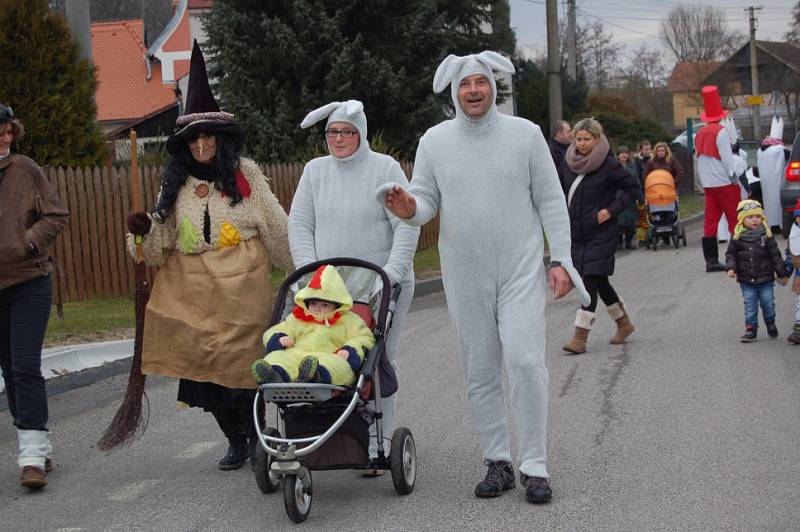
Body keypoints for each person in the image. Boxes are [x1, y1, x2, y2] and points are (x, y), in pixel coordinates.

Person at [379, 51, 589, 504]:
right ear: (454, 93)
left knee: (527, 362)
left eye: (480, 82)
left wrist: (560, 260)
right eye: (465, 85)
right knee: (479, 370)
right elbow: (427, 200)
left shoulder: (525, 135)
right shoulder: (434, 141)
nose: (473, 91)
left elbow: (551, 200)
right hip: (465, 272)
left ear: (493, 86)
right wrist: (409, 209)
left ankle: (534, 466)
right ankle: (498, 462)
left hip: (518, 267)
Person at [125, 42, 293, 471]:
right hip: (192, 291)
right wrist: (141, 232)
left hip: (241, 287)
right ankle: (236, 438)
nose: (201, 144)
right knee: (203, 372)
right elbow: (158, 244)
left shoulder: (245, 175)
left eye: (208, 136)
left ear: (220, 139)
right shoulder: (175, 185)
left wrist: (301, 271)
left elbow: (274, 223)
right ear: (186, 145)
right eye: (194, 138)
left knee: (242, 369)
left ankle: (257, 438)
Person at [288, 99, 419, 474]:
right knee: (331, 359)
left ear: (360, 133)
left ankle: (378, 438)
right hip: (328, 292)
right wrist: (308, 274)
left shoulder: (385, 168)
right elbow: (300, 225)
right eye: (333, 132)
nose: (339, 138)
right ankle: (334, 435)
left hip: (380, 286)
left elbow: (406, 224)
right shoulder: (315, 172)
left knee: (377, 361)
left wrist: (392, 272)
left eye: (347, 132)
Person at [0, 104, 69, 489]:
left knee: (25, 365)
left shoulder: (25, 170)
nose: (6, 139)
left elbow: (57, 214)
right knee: (10, 371)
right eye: (0, 132)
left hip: (30, 281)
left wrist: (29, 240)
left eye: (9, 132)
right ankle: (37, 444)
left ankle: (30, 459)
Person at [558, 118, 641, 354]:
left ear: (597, 139)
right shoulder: (568, 163)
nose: (582, 144)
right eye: (578, 139)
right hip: (577, 233)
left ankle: (580, 336)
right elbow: (559, 190)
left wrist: (611, 210)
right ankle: (623, 323)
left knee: (589, 282)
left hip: (601, 232)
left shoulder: (609, 164)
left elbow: (632, 188)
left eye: (587, 139)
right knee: (599, 280)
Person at [252, 264, 375, 386]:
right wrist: (280, 337)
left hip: (329, 356)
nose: (317, 308)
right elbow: (279, 328)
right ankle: (275, 375)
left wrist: (350, 349)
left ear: (337, 305)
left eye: (324, 305)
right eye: (313, 303)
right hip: (297, 355)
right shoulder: (298, 317)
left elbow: (364, 337)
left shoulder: (349, 320)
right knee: (277, 356)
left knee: (339, 365)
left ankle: (316, 376)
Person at [725, 199, 789, 342]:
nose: (755, 220)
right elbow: (731, 255)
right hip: (746, 279)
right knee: (750, 304)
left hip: (766, 278)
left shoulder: (766, 236)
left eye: (757, 217)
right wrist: (731, 267)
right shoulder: (737, 237)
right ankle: (751, 329)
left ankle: (770, 322)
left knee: (768, 303)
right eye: (750, 217)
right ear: (742, 220)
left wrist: (782, 273)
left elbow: (775, 255)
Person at [695, 86, 738, 273]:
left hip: (709, 184)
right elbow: (728, 160)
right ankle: (736, 258)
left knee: (710, 222)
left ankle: (711, 260)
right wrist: (734, 177)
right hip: (724, 183)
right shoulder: (721, 132)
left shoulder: (699, 134)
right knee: (735, 220)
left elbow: (699, 159)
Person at [756, 116, 790, 233]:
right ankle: (776, 226)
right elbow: (789, 158)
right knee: (777, 203)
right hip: (776, 182)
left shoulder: (760, 150)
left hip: (765, 182)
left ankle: (770, 225)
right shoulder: (779, 149)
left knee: (768, 203)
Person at [616, 145, 639, 250]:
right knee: (619, 222)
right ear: (618, 155)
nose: (624, 155)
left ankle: (629, 242)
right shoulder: (614, 166)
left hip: (630, 196)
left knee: (631, 221)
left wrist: (640, 197)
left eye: (626, 153)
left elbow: (636, 181)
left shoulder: (632, 166)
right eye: (622, 153)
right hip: (618, 196)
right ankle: (619, 242)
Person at [785, 199, 800, 344]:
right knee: (799, 303)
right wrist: (784, 273)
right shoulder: (794, 235)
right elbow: (790, 257)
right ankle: (798, 330)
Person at [633, 140, 652, 244]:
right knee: (641, 214)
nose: (648, 151)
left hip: (652, 188)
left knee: (651, 212)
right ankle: (642, 238)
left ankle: (652, 234)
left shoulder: (652, 159)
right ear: (641, 150)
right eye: (646, 149)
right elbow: (637, 175)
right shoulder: (637, 162)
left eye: (649, 149)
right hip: (642, 189)